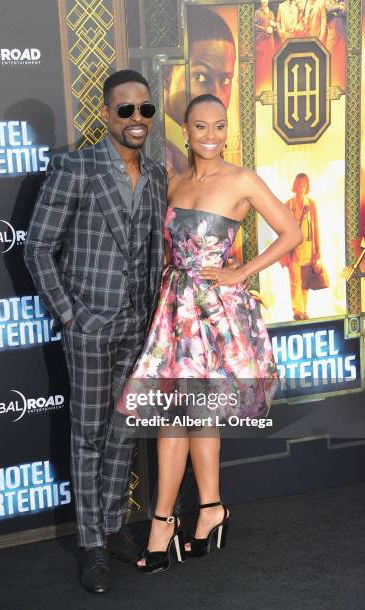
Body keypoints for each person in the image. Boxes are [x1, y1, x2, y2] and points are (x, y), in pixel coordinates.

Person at [116, 94, 302, 573]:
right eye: (201, 127)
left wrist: (242, 273)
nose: (212, 136)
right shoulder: (173, 182)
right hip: (175, 311)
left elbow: (291, 232)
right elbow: (165, 250)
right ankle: (207, 510)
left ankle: (167, 522)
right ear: (185, 130)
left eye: (219, 126)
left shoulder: (241, 179)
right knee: (180, 414)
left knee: (191, 414)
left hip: (215, 313)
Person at [24, 70, 168, 593]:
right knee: (88, 437)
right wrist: (68, 314)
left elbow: (153, 251)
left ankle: (112, 526)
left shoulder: (156, 175)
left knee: (124, 434)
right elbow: (37, 247)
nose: (137, 119)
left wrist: (154, 317)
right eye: (126, 110)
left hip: (137, 324)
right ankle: (91, 546)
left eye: (145, 110)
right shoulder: (76, 168)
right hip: (87, 325)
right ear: (107, 114)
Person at [164, 5, 236, 175]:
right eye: (202, 78)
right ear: (168, 76)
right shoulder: (158, 155)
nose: (216, 95)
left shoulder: (239, 178)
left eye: (225, 80)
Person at [280, 173, 322, 320]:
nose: (301, 188)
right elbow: (282, 229)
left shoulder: (311, 204)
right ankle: (297, 311)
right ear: (295, 186)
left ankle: (303, 310)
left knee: (304, 282)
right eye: (299, 185)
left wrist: (318, 250)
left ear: (307, 187)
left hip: (307, 248)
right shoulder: (288, 204)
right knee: (294, 280)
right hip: (292, 248)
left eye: (304, 185)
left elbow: (316, 227)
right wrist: (282, 252)